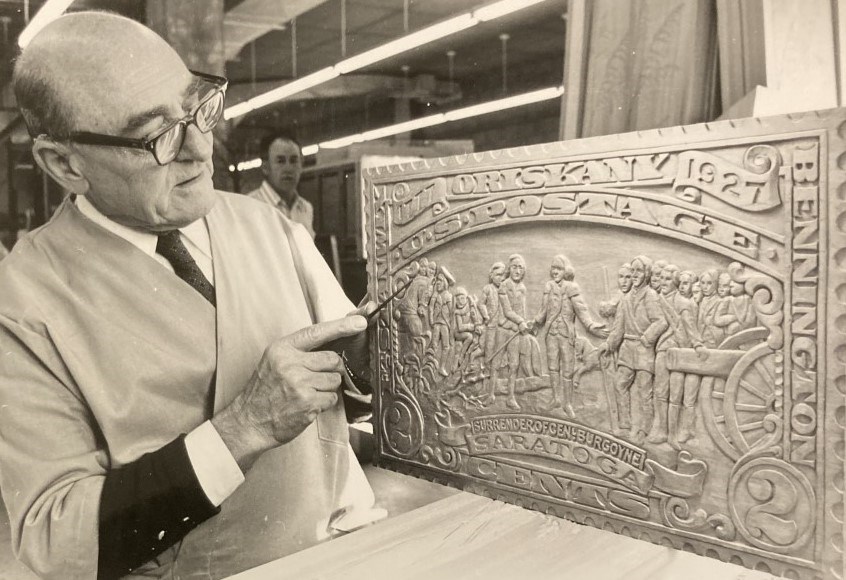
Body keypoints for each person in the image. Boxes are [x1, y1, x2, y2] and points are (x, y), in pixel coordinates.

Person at [0, 12, 376, 580]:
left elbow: (352, 400)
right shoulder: (23, 304)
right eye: (157, 135)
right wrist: (243, 426)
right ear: (64, 163)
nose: (201, 149)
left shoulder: (270, 227)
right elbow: (56, 538)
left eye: (196, 107)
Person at [599, 255, 668, 443]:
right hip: (627, 349)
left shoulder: (651, 296)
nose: (635, 275)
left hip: (644, 349)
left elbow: (661, 321)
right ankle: (625, 425)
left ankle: (643, 430)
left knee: (644, 391)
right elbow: (619, 327)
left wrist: (647, 338)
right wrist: (609, 344)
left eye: (639, 271)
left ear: (646, 274)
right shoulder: (626, 298)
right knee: (620, 383)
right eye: (633, 271)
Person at [533, 254, 607, 417]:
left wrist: (590, 325)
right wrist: (533, 322)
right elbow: (543, 311)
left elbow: (581, 310)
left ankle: (567, 403)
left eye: (558, 269)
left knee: (567, 369)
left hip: (566, 335)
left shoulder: (572, 288)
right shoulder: (549, 286)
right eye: (553, 268)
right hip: (551, 333)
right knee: (553, 367)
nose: (555, 272)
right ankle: (555, 399)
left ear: (565, 270)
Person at [247, 130, 315, 238]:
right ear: (265, 167)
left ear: (302, 164)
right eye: (280, 161)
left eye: (293, 161)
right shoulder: (249, 206)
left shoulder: (306, 208)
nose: (288, 168)